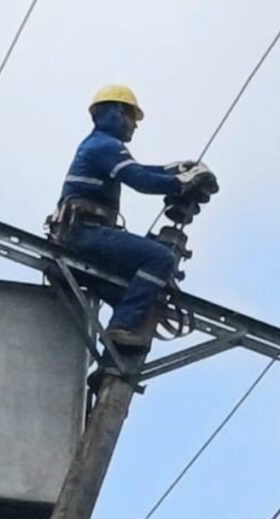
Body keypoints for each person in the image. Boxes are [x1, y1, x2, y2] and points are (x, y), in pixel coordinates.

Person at [51, 84, 215, 348]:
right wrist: (183, 181)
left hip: (79, 233)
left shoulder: (100, 146)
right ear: (115, 112)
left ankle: (119, 351)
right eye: (130, 117)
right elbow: (140, 180)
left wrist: (172, 170)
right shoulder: (104, 145)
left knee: (135, 289)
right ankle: (122, 328)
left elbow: (138, 170)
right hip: (84, 234)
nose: (134, 126)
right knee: (160, 257)